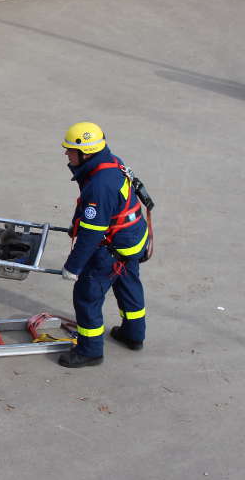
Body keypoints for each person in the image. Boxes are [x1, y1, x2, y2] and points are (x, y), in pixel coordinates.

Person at [58, 122, 150, 368]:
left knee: (87, 295)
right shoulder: (110, 162)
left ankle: (90, 351)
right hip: (132, 241)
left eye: (70, 150)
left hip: (110, 249)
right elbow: (98, 210)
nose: (66, 154)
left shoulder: (99, 185)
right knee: (129, 286)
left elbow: (91, 234)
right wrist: (76, 223)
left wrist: (73, 267)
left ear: (85, 152)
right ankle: (133, 335)